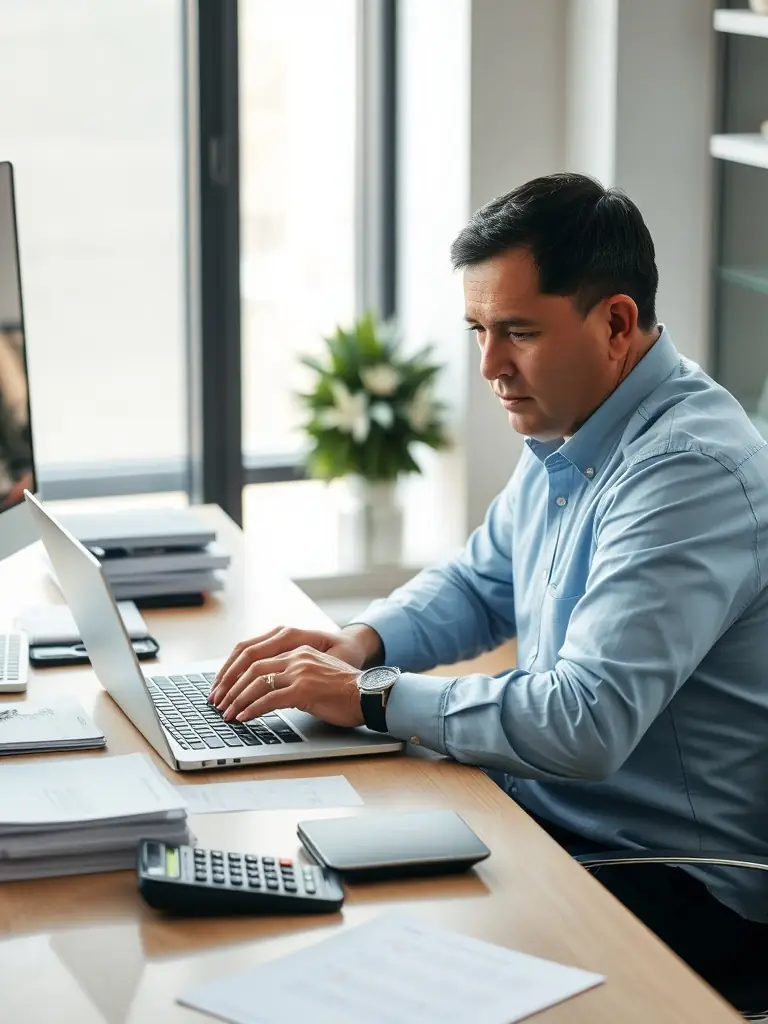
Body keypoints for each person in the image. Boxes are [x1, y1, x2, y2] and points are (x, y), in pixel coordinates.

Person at [211, 173, 768, 1001]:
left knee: (374, 968)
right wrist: (362, 643)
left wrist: (370, 695)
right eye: (477, 330)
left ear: (616, 323)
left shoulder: (687, 471)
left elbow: (584, 722)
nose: (489, 366)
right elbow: (482, 583)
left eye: (516, 332)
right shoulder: (573, 423)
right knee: (302, 892)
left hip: (672, 882)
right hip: (554, 824)